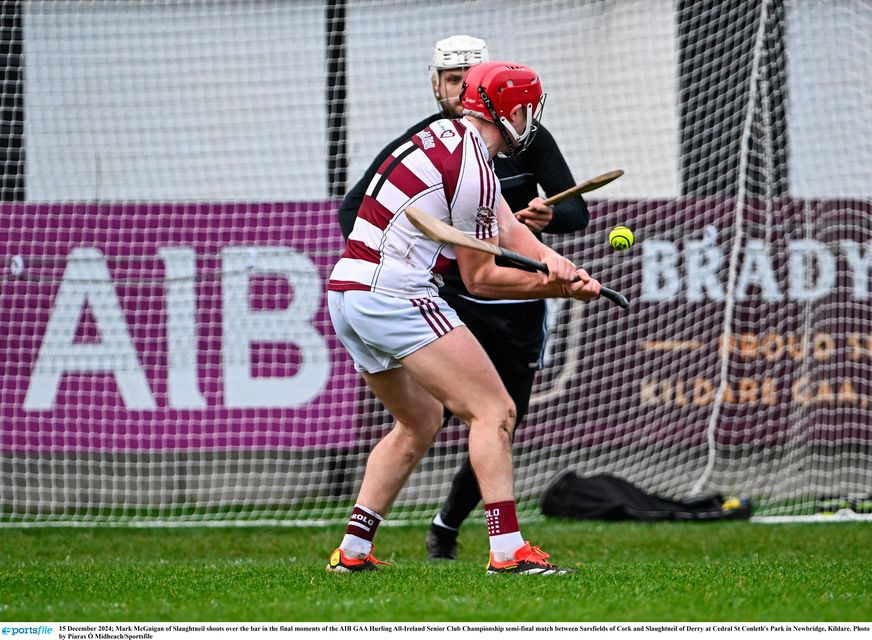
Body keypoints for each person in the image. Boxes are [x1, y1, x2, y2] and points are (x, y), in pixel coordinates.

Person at [326, 60, 601, 575]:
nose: (531, 119)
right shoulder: (472, 167)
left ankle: (353, 552)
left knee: (419, 420)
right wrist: (557, 290)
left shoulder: (448, 136)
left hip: (348, 293)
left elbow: (503, 225)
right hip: (395, 296)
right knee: (494, 411)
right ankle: (508, 551)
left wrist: (555, 262)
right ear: (514, 110)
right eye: (529, 110)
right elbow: (482, 279)